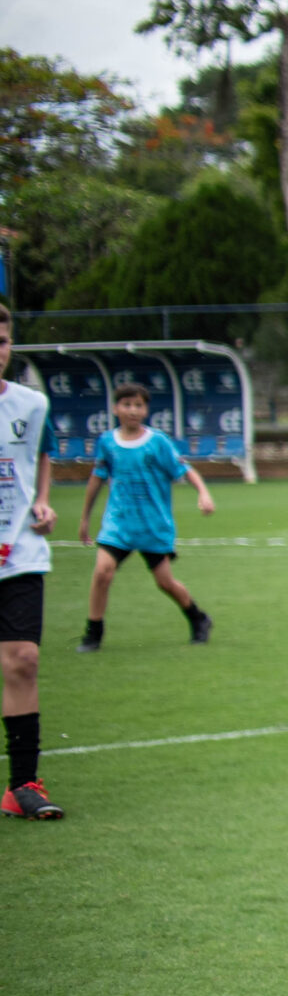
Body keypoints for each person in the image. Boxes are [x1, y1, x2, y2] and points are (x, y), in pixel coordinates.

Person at [77, 382, 214, 652]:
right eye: (126, 405)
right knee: (103, 572)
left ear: (146, 409)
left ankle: (198, 618)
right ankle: (93, 632)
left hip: (153, 525)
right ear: (116, 408)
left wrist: (203, 493)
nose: (132, 410)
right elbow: (97, 478)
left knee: (164, 582)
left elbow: (185, 469)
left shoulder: (157, 442)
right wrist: (85, 518)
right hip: (119, 524)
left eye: (138, 405)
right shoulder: (107, 443)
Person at [0, 306, 65, 820]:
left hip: (18, 553)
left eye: (2, 341)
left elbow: (40, 457)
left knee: (24, 660)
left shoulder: (32, 404)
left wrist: (42, 502)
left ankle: (23, 785)